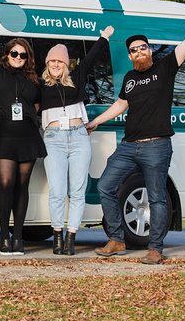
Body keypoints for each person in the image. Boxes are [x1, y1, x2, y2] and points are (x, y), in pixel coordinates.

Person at [87, 0, 185, 265]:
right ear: (131, 56)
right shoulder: (130, 78)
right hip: (129, 146)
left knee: (157, 197)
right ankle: (117, 239)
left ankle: (155, 248)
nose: (138, 52)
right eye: (134, 50)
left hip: (157, 145)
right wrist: (95, 121)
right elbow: (120, 105)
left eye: (142, 48)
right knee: (106, 186)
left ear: (149, 51)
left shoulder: (166, 68)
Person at [40, 27, 114, 255]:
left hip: (79, 136)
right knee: (57, 190)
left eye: (59, 61)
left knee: (78, 190)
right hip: (54, 140)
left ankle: (72, 236)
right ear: (47, 63)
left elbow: (91, 58)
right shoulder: (39, 85)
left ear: (66, 64)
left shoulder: (77, 78)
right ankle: (57, 237)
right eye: (51, 61)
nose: (55, 64)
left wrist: (103, 38)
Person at [0, 38, 46, 255]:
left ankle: (18, 237)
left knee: (22, 185)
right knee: (6, 183)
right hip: (4, 134)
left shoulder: (33, 79)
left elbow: (38, 104)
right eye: (14, 53)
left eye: (23, 55)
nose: (18, 58)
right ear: (7, 54)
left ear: (28, 58)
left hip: (27, 136)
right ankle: (4, 235)